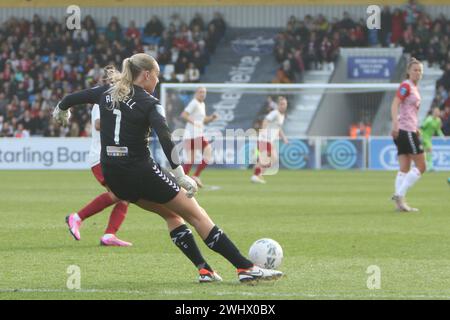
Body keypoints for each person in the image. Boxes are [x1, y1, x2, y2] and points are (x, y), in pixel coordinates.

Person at [53, 53, 282, 283]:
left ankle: (205, 270)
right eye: (157, 76)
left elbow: (71, 98)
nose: (158, 81)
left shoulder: (106, 93)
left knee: (171, 214)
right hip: (141, 172)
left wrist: (61, 110)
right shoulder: (149, 102)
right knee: (197, 215)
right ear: (146, 75)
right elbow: (165, 138)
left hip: (115, 178)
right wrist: (181, 176)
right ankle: (245, 268)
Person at [65, 104, 132, 247]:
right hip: (101, 157)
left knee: (125, 196)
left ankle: (109, 235)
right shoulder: (102, 101)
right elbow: (97, 124)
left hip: (114, 155)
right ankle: (76, 218)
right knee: (119, 193)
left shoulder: (120, 101)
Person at [390, 57, 426, 212]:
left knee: (404, 167)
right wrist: (395, 125)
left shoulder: (414, 88)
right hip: (406, 130)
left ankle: (400, 204)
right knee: (422, 166)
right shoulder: (406, 85)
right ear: (408, 72)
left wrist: (416, 127)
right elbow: (395, 103)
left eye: (420, 70)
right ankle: (399, 195)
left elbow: (409, 111)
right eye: (415, 70)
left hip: (409, 129)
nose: (417, 73)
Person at [180, 87, 218, 188]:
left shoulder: (202, 104)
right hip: (194, 134)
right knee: (208, 151)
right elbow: (184, 115)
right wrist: (194, 122)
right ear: (196, 93)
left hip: (192, 135)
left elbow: (203, 120)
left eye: (204, 92)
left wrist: (211, 118)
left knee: (190, 159)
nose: (203, 94)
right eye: (200, 92)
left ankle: (182, 180)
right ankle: (196, 176)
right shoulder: (194, 103)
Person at [251, 96, 289, 184]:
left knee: (274, 159)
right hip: (264, 139)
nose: (283, 106)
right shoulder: (275, 113)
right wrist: (263, 131)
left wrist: (284, 138)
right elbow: (265, 120)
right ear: (278, 105)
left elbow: (278, 128)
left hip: (269, 140)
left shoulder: (281, 116)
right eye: (282, 104)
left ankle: (257, 172)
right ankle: (256, 175)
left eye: (285, 104)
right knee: (266, 159)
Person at [420, 107, 445, 171]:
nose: (437, 113)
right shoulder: (429, 119)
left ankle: (426, 166)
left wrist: (442, 136)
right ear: (433, 112)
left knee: (425, 151)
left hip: (429, 137)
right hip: (424, 136)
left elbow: (438, 130)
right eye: (436, 112)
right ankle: (430, 166)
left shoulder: (438, 120)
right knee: (429, 149)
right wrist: (420, 136)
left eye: (438, 112)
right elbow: (422, 127)